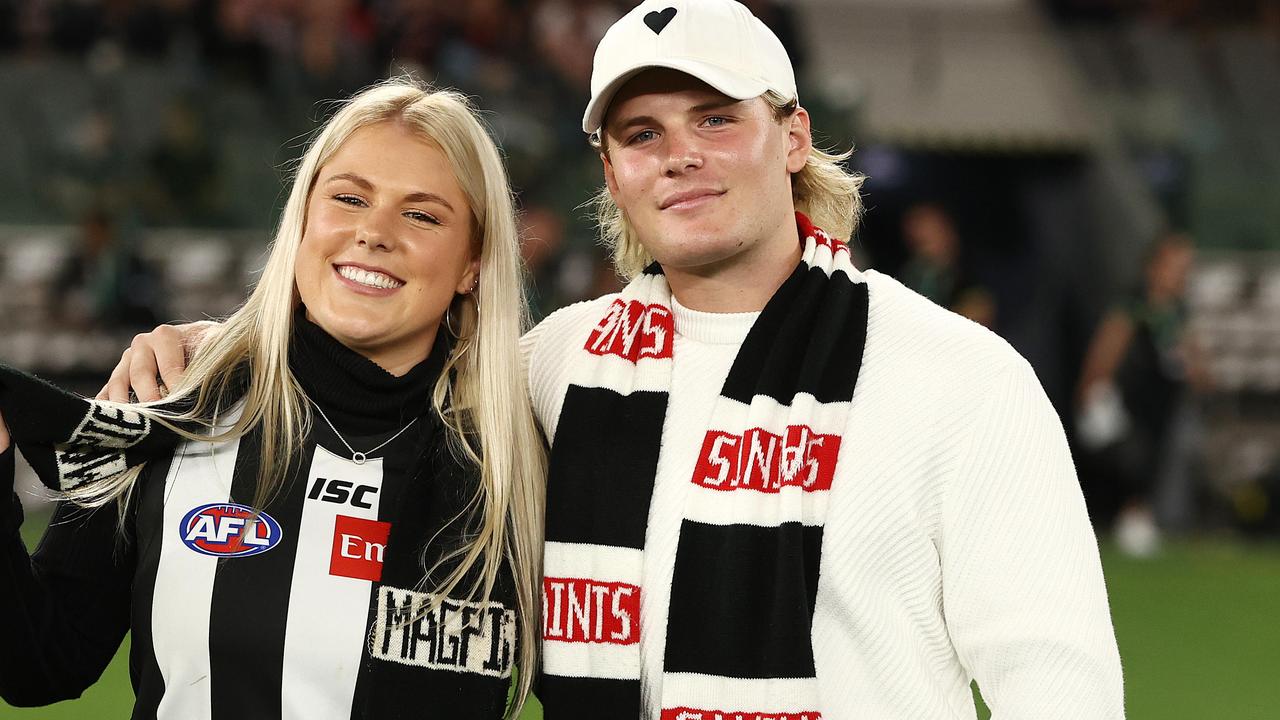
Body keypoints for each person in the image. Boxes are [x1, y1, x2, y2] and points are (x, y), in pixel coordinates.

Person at [103, 1, 1125, 718]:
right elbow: (369, 361)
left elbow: (1056, 682)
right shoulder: (556, 365)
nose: (679, 154)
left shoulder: (956, 376)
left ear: (794, 136)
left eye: (716, 120)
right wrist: (213, 346)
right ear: (611, 171)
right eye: (642, 132)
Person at [0, 79, 544, 719]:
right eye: (348, 198)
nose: (373, 233)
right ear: (304, 219)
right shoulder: (172, 403)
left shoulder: (522, 464)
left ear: (472, 265)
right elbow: (36, 662)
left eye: (421, 214)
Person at [1077, 230, 1209, 556]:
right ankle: (1122, 516)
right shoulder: (1133, 306)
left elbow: (1199, 367)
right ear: (1154, 267)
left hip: (1164, 408)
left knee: (1162, 460)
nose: (1180, 275)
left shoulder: (1177, 314)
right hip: (1130, 405)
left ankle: (1144, 518)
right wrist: (1091, 392)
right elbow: (1105, 353)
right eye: (1175, 266)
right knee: (1130, 460)